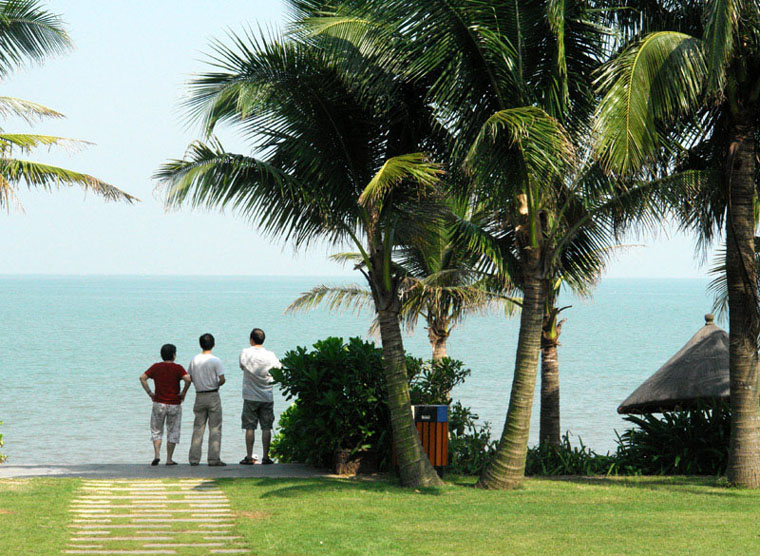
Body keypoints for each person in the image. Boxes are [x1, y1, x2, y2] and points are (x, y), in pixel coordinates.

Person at [139, 343, 192, 466]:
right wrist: (183, 392)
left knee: (157, 430)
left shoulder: (156, 367)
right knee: (173, 431)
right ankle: (169, 458)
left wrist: (150, 393)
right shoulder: (178, 368)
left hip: (159, 403)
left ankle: (157, 455)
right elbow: (188, 379)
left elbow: (142, 378)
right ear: (174, 355)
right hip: (174, 403)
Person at [238, 327, 281, 465]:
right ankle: (266, 457)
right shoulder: (271, 355)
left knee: (250, 427)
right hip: (267, 396)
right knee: (266, 427)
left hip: (250, 396)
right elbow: (279, 369)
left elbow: (242, 366)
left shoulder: (245, 353)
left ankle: (249, 456)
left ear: (251, 339)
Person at [187, 333, 226, 466]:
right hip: (213, 395)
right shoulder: (216, 360)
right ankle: (213, 458)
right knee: (215, 428)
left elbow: (189, 377)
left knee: (198, 428)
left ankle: (194, 459)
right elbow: (222, 379)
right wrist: (216, 384)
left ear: (200, 344)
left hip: (199, 395)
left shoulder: (194, 360)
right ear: (213, 344)